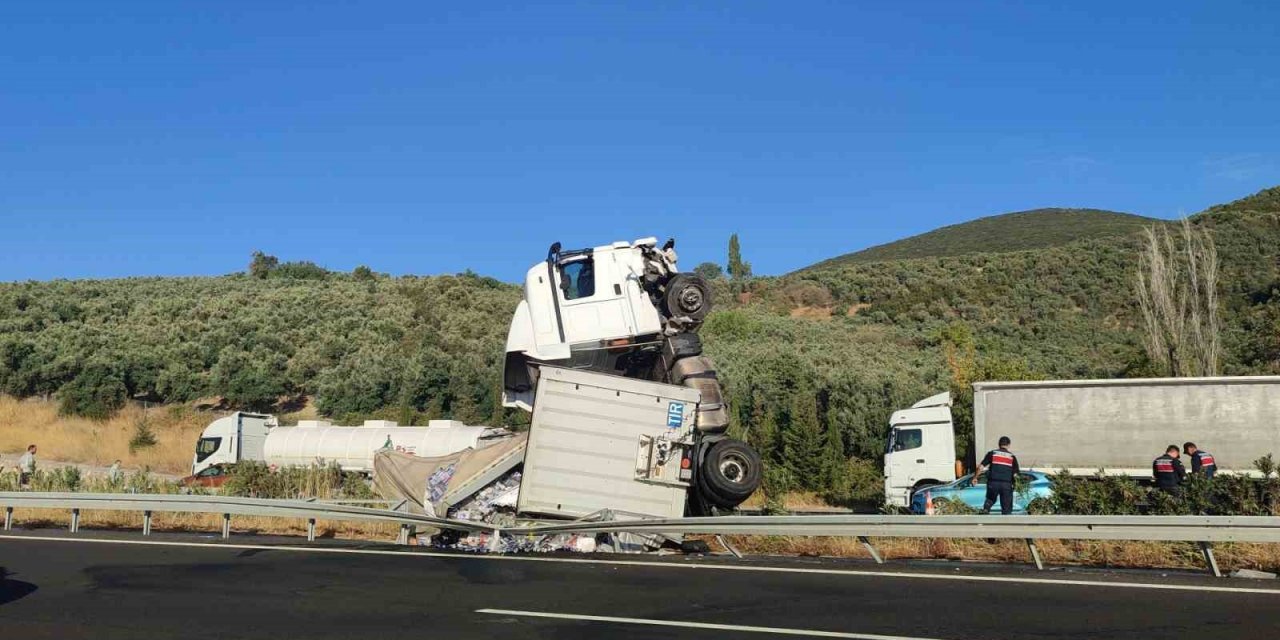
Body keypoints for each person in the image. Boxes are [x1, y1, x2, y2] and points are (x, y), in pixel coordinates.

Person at [973, 436, 1020, 515]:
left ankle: (986, 510)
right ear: (1008, 445)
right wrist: (1016, 484)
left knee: (990, 499)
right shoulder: (1012, 457)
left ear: (999, 444)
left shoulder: (992, 453)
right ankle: (1006, 522)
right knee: (1006, 507)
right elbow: (1015, 474)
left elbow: (980, 467)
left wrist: (975, 478)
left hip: (993, 483)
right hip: (1006, 484)